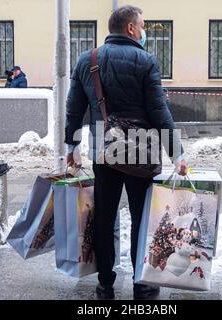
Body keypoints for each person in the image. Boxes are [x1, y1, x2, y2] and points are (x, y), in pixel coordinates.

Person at [65, 5, 187, 300]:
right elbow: (160, 112)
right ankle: (142, 283)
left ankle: (105, 281)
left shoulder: (87, 60)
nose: (144, 31)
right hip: (139, 154)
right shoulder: (146, 61)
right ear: (132, 29)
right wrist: (177, 154)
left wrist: (72, 146)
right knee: (141, 218)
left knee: (104, 217)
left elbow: (74, 109)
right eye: (143, 26)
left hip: (105, 153)